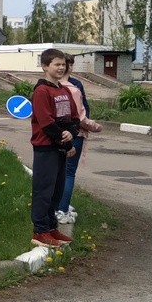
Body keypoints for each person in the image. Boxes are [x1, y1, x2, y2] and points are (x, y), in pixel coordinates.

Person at [30, 48, 80, 248]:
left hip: (60, 148)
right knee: (43, 190)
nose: (61, 68)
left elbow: (74, 118)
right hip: (46, 148)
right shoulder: (42, 91)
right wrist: (66, 143)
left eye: (63, 65)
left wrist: (72, 133)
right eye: (56, 64)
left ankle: (51, 227)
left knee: (56, 192)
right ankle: (40, 230)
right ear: (45, 66)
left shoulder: (64, 91)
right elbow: (47, 123)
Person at [55, 55, 103, 222]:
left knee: (57, 172)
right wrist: (95, 127)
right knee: (68, 173)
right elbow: (80, 116)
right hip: (74, 134)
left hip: (55, 134)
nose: (63, 67)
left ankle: (56, 206)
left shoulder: (48, 87)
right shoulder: (73, 88)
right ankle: (62, 210)